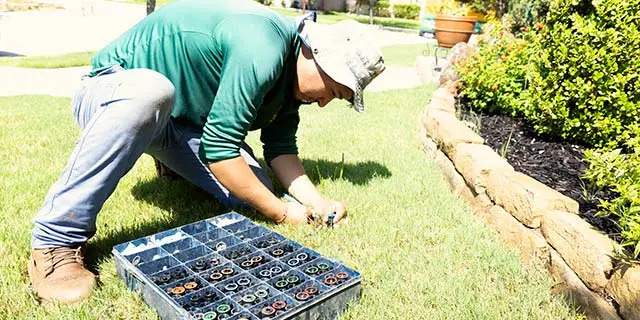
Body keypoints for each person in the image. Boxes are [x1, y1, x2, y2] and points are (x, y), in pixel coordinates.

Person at [27, 0, 385, 304]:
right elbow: (219, 149)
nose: (323, 103)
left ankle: (160, 151)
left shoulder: (292, 82)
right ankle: (55, 242)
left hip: (175, 118)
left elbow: (281, 150)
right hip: (112, 90)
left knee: (250, 187)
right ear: (317, 57)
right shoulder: (262, 47)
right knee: (151, 92)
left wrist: (317, 203)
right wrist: (280, 213)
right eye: (334, 92)